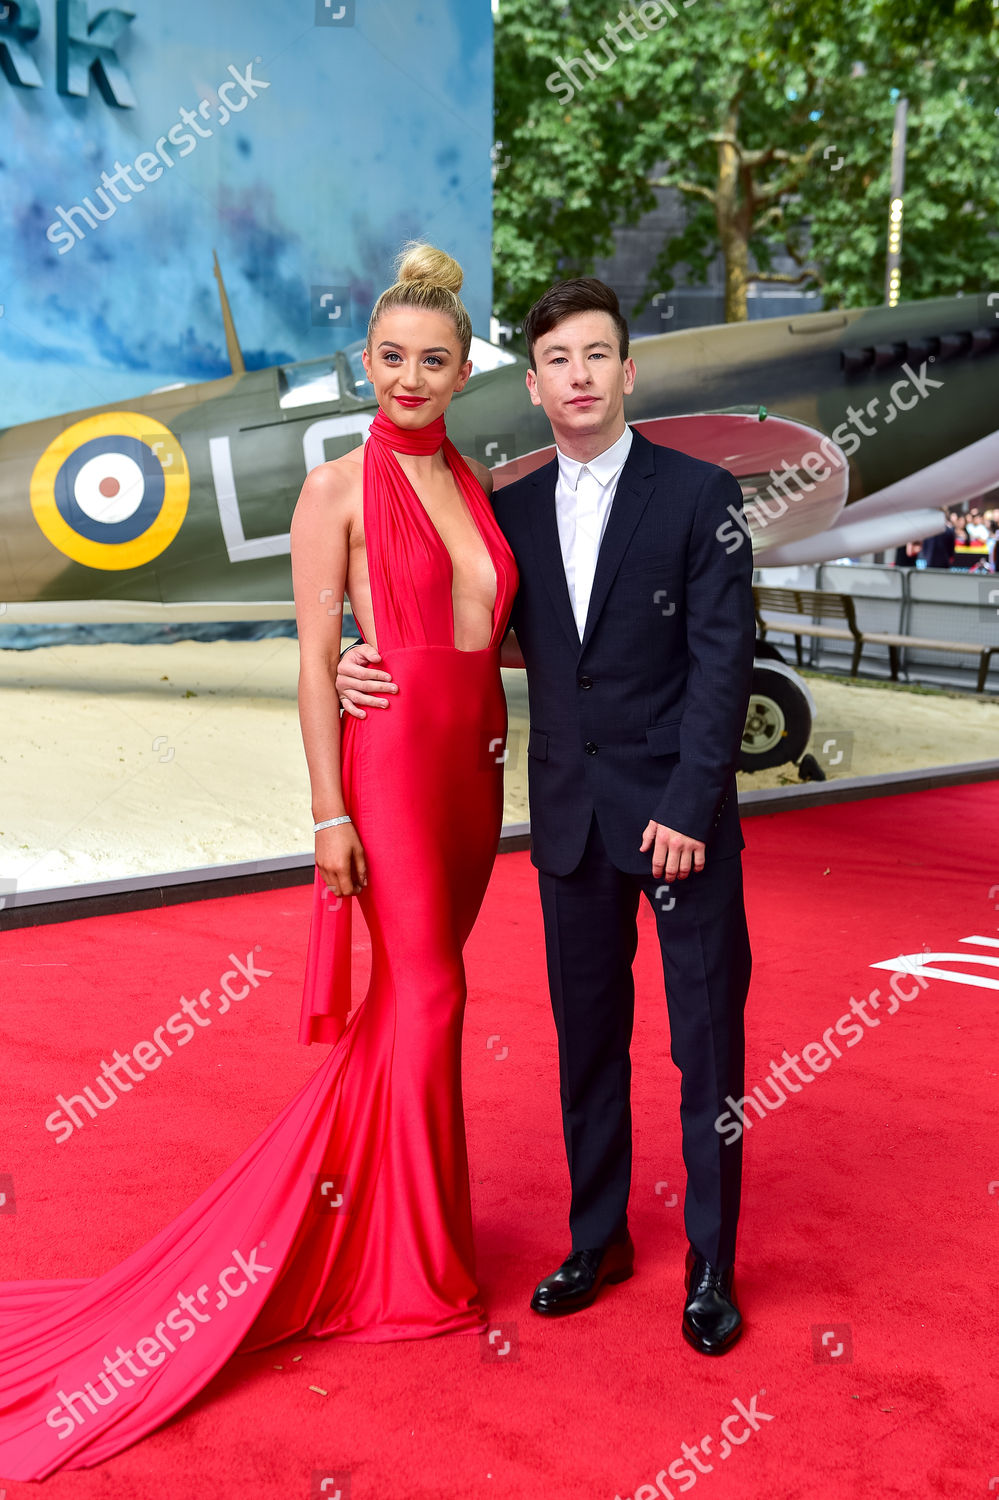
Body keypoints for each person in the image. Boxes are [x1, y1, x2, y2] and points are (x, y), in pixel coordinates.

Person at [0, 244, 518, 1480]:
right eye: (389, 358)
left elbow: (492, 628)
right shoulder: (333, 491)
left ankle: (382, 1219)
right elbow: (310, 659)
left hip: (478, 774)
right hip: (388, 767)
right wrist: (329, 814)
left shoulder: (481, 482)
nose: (409, 377)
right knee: (434, 995)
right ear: (368, 363)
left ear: (460, 373)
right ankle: (416, 1261)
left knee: (414, 1001)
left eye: (431, 361)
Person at [337, 277, 756, 1355]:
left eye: (596, 355)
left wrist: (690, 805)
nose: (578, 376)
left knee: (705, 1048)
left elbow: (724, 668)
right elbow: (449, 621)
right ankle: (599, 1238)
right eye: (557, 360)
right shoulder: (507, 511)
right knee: (588, 1044)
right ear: (532, 385)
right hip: (568, 821)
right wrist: (358, 657)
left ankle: (713, 1265)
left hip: (680, 821)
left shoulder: (703, 496)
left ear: (628, 371)